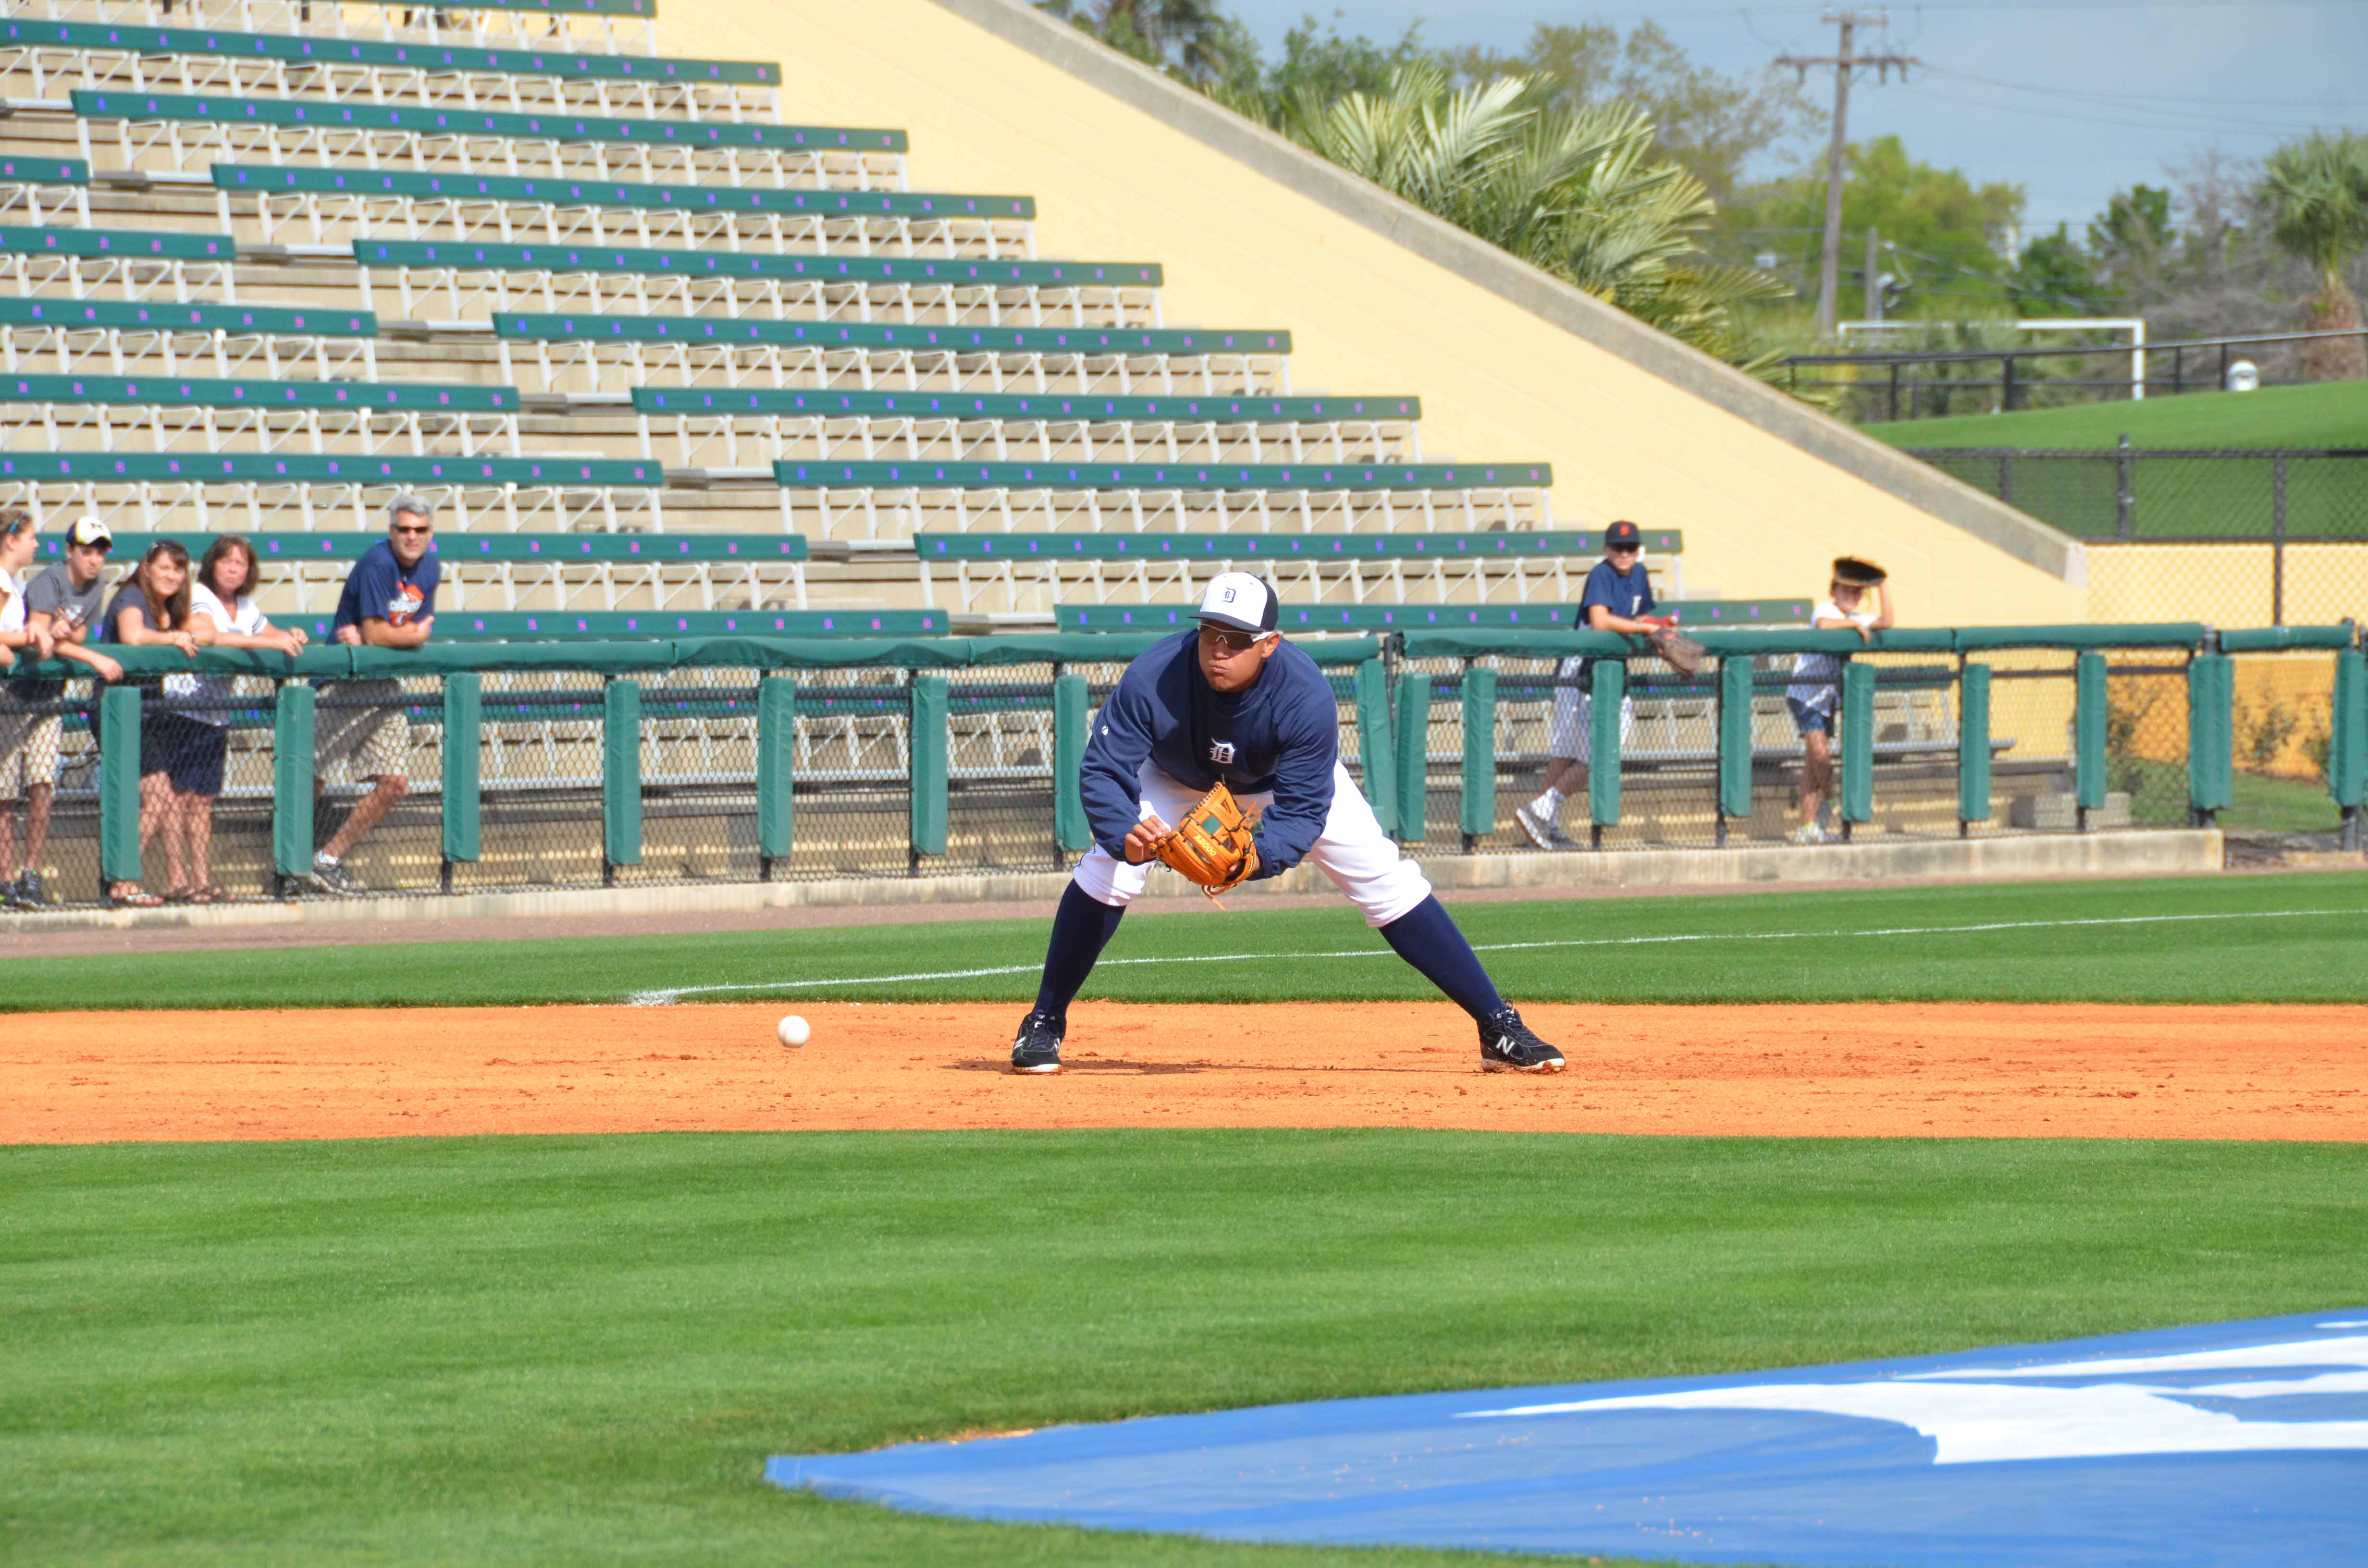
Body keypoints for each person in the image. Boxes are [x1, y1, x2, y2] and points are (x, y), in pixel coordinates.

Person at [1007, 572, 1565, 1075]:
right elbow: (1104, 768)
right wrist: (1120, 827)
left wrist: (1254, 856)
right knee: (1110, 868)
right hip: (1175, 778)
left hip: (1277, 784)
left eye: (1236, 640)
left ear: (1269, 644)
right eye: (1209, 633)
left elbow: (1300, 810)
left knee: (1386, 880)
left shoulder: (1304, 694)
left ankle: (1497, 1024)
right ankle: (1044, 1021)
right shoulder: (1155, 674)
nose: (1217, 650)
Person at [1514, 519, 1672, 851]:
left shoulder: (1640, 574)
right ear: (1606, 549)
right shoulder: (1601, 574)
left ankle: (1541, 821)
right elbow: (1600, 621)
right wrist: (1644, 631)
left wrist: (1657, 625)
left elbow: (1639, 618)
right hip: (1581, 668)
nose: (1625, 553)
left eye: (1631, 548)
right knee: (1586, 752)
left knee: (1586, 751)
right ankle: (1542, 817)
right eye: (1618, 547)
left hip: (1607, 671)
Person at [309, 493, 440, 894]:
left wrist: (390, 637)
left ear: (429, 533)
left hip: (384, 683)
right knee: (310, 779)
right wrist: (408, 635)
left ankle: (326, 860)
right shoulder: (378, 563)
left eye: (420, 530)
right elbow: (377, 632)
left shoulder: (431, 566)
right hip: (342, 681)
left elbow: (387, 634)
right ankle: (289, 861)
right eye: (404, 529)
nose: (412, 537)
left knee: (396, 783)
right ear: (392, 531)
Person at [177, 535, 308, 903]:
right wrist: (270, 644)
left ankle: (200, 881)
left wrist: (290, 635)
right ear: (212, 564)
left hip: (215, 716)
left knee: (203, 801)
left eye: (241, 563)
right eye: (227, 561)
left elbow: (272, 633)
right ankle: (176, 880)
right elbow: (211, 636)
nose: (234, 569)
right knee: (177, 801)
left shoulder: (245, 606)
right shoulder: (200, 594)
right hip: (181, 710)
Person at [8, 517, 125, 907]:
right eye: (87, 550)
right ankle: (6, 876)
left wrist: (68, 634)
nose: (95, 560)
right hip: (14, 693)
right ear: (70, 551)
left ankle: (30, 872)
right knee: (6, 793)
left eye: (101, 552)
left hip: (49, 697)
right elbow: (43, 639)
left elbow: (74, 633)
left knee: (43, 785)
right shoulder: (49, 580)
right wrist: (90, 655)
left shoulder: (96, 585)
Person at [101, 539, 212, 906]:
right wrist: (172, 638)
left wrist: (187, 634)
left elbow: (209, 634)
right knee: (160, 796)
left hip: (149, 714)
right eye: (164, 567)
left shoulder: (171, 609)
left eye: (178, 570)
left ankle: (122, 879)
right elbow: (132, 637)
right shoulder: (132, 597)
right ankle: (121, 880)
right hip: (118, 709)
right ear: (147, 567)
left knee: (159, 798)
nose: (171, 576)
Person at [1784, 555, 1896, 844]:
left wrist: (1882, 584)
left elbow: (1887, 621)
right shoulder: (1826, 609)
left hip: (1826, 698)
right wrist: (1852, 627)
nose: (1852, 596)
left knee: (1812, 765)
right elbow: (1822, 624)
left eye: (1858, 592)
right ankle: (1833, 800)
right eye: (1846, 591)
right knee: (1821, 756)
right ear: (1833, 591)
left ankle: (1807, 827)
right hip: (1804, 693)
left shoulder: (1857, 618)